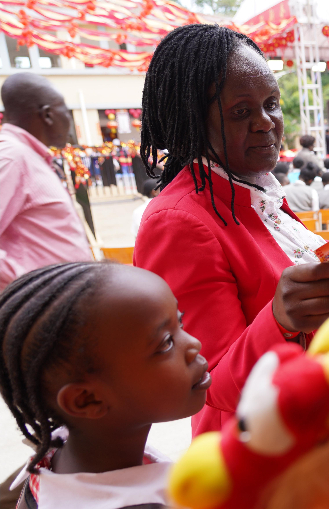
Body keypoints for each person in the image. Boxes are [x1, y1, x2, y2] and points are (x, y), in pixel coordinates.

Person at [134, 25, 329, 437]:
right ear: (191, 121)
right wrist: (280, 319)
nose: (266, 123)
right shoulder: (179, 220)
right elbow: (209, 381)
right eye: (240, 112)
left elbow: (299, 270)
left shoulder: (254, 189)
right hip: (261, 458)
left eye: (271, 104)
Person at [0, 262, 211, 508]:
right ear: (87, 400)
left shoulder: (59, 456)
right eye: (165, 343)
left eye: (180, 322)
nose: (194, 343)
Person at [0, 73, 91, 291]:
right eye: (66, 111)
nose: (68, 120)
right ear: (48, 115)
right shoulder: (11, 157)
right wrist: (30, 285)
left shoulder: (27, 156)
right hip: (44, 306)